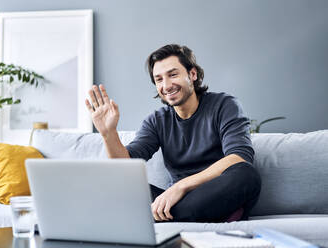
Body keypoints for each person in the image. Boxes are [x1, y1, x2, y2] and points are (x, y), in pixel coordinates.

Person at [85, 44, 261, 223]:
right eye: (159, 79)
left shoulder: (224, 105)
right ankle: (174, 215)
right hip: (176, 203)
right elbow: (124, 168)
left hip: (215, 195)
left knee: (246, 174)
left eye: (173, 75)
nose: (166, 85)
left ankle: (154, 215)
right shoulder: (157, 121)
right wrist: (108, 133)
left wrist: (180, 187)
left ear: (192, 74)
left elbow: (239, 156)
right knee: (112, 182)